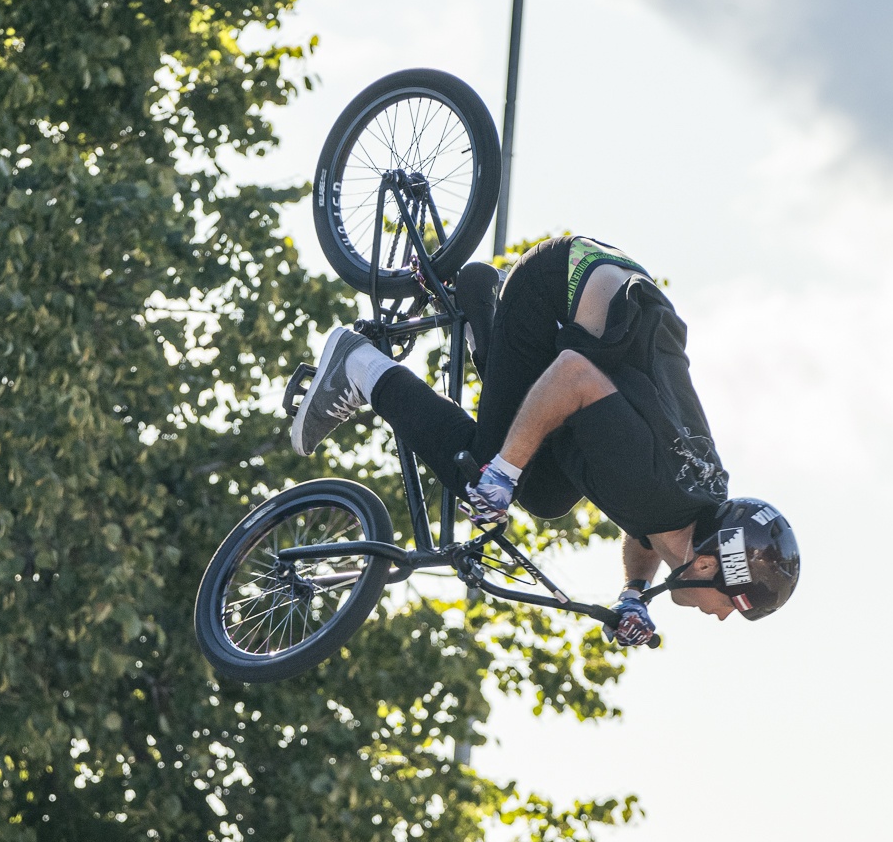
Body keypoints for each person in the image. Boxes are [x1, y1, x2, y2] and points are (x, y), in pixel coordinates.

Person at [288, 234, 799, 643]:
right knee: (484, 470)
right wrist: (500, 474)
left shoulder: (691, 504)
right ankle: (358, 364)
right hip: (558, 288)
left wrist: (633, 593)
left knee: (547, 496)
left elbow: (647, 529)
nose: (722, 616)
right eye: (730, 604)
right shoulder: (652, 487)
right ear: (706, 565)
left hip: (614, 302)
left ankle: (482, 315)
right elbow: (574, 374)